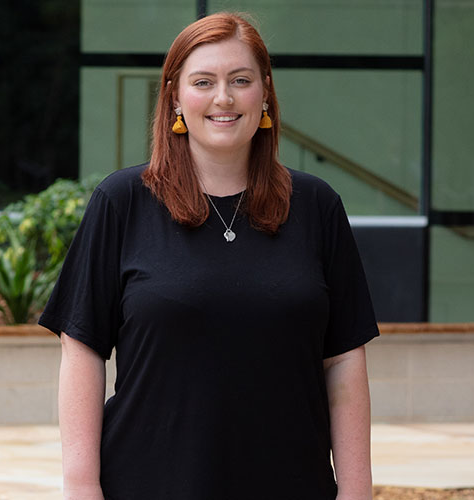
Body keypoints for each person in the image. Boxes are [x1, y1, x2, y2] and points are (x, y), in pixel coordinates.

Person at [39, 12, 378, 500]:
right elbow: (82, 350)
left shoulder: (317, 206)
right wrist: (81, 485)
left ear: (265, 92)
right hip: (146, 483)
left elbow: (344, 360)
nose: (224, 97)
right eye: (205, 82)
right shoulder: (122, 202)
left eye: (240, 80)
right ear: (175, 95)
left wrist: (356, 490)